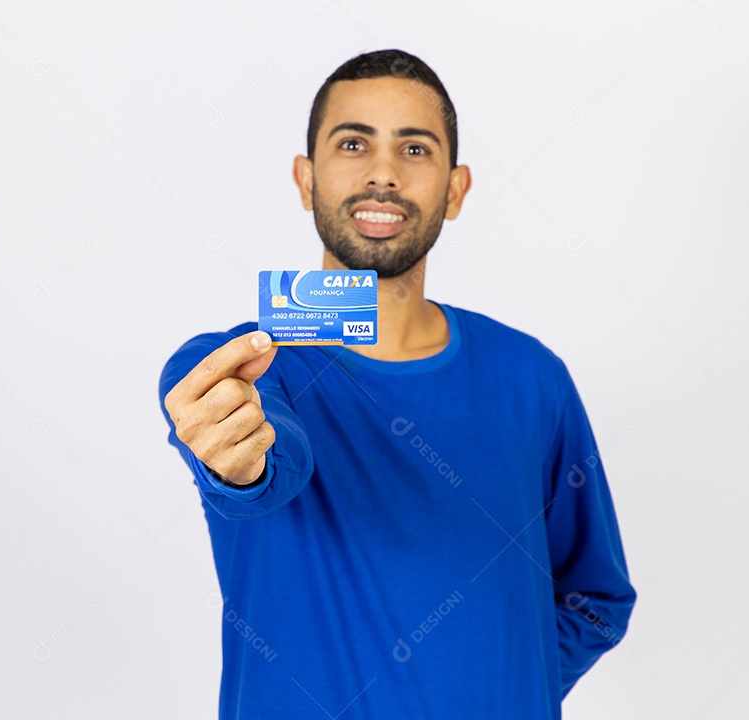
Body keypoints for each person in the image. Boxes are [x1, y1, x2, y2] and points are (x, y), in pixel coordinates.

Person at [159, 48, 636, 719]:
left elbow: (596, 599)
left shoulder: (533, 378)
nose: (383, 173)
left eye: (414, 149)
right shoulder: (234, 369)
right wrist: (239, 463)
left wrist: (503, 687)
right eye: (353, 144)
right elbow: (272, 460)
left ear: (455, 190)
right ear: (305, 180)